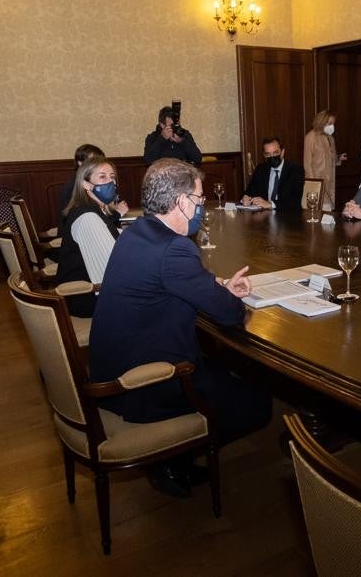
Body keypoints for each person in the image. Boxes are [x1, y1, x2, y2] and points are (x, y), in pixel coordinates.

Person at [89, 159, 272, 495]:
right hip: (143, 384)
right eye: (200, 201)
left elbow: (180, 282)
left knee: (221, 369)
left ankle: (174, 458)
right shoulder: (175, 248)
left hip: (113, 367)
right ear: (181, 202)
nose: (202, 207)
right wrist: (228, 296)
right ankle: (172, 457)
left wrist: (215, 285)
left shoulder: (137, 233)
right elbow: (230, 314)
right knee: (258, 403)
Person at [55, 158, 129, 317]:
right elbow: (114, 266)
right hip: (86, 298)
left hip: (92, 292)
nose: (111, 182)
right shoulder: (88, 217)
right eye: (102, 177)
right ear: (86, 184)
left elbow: (112, 235)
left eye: (112, 177)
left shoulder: (91, 209)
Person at [241, 136, 304, 211]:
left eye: (275, 153)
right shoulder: (261, 169)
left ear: (282, 152)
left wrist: (270, 204)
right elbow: (249, 191)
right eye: (268, 154)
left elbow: (294, 202)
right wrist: (245, 199)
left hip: (288, 216)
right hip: (264, 216)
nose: (272, 157)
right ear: (264, 155)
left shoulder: (295, 170)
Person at [303, 110, 345, 210]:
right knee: (316, 213)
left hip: (329, 183)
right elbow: (307, 163)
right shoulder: (310, 137)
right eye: (329, 123)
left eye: (333, 123)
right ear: (321, 122)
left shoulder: (331, 138)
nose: (332, 126)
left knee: (328, 214)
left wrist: (338, 158)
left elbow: (331, 159)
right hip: (317, 182)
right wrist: (314, 184)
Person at [56, 143, 104, 226]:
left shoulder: (88, 180)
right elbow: (86, 216)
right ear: (80, 163)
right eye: (94, 161)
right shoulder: (75, 184)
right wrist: (117, 213)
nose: (99, 165)